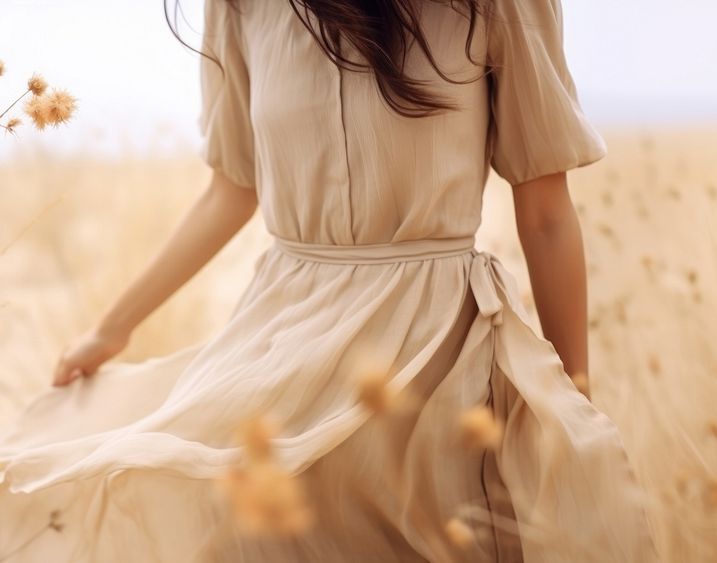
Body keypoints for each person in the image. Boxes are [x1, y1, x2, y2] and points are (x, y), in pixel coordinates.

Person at [0, 0, 659, 560]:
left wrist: (576, 407)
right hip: (281, 344)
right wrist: (110, 328)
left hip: (435, 354)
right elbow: (231, 189)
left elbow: (544, 213)